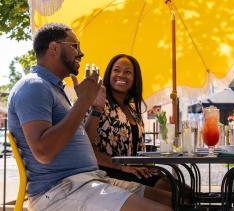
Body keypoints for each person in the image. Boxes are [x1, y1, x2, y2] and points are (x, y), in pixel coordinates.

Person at [7, 23, 171, 211]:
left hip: (90, 181)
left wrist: (95, 108)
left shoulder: (55, 89)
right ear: (54, 48)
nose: (81, 53)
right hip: (60, 191)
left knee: (173, 200)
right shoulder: (33, 86)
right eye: (75, 46)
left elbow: (81, 138)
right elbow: (44, 152)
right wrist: (83, 100)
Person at [84, 54, 170, 189]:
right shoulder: (98, 102)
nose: (121, 75)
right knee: (169, 191)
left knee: (176, 186)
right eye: (116, 70)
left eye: (128, 72)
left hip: (133, 171)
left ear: (134, 79)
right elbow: (85, 146)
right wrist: (121, 167)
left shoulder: (133, 110)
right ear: (109, 74)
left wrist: (145, 165)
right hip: (106, 172)